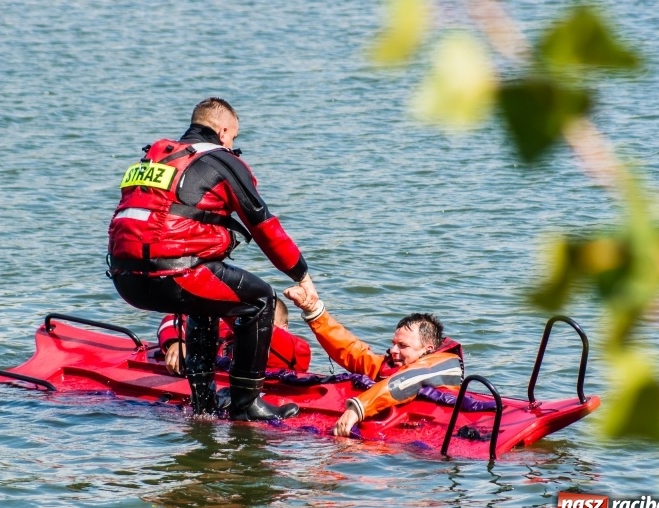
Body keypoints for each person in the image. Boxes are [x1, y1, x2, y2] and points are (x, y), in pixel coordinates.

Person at [107, 97, 318, 421]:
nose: (233, 146)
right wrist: (301, 275)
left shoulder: (154, 159)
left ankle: (203, 405)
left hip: (125, 280)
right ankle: (246, 404)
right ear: (223, 132)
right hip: (173, 277)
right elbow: (264, 227)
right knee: (261, 299)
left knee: (206, 302)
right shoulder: (222, 161)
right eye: (233, 138)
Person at [283, 286, 464, 437]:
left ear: (428, 349)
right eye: (393, 344)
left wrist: (357, 409)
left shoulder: (445, 364)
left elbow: (409, 380)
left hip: (429, 446)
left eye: (402, 345)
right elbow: (353, 352)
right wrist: (314, 310)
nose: (393, 350)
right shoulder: (393, 365)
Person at [158, 297, 312, 374]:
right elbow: (175, 319)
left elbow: (259, 332)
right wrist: (176, 342)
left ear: (283, 329)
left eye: (265, 320)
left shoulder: (296, 349)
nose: (251, 321)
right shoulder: (228, 333)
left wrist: (228, 309)